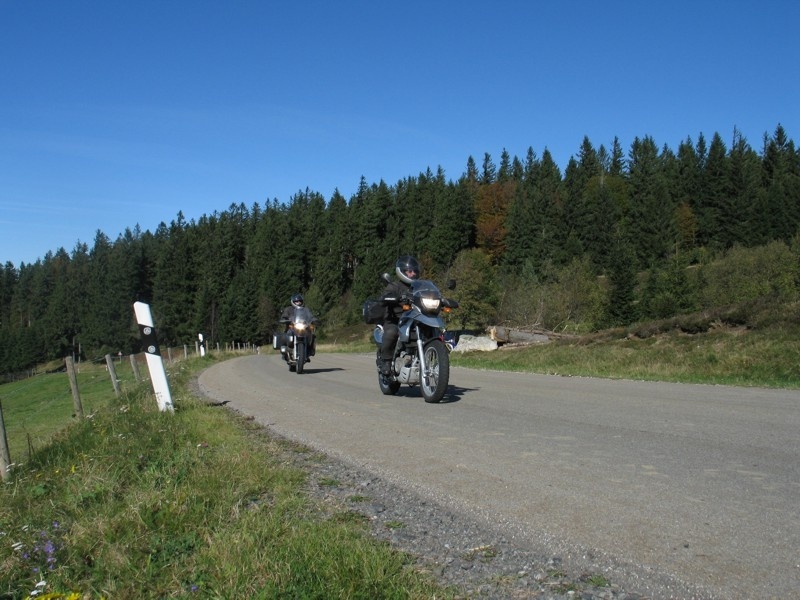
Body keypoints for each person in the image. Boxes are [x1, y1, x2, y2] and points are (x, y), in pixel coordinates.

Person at [378, 255, 421, 375]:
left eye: (414, 271)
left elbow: (430, 295)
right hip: (395, 319)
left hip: (416, 319)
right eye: (409, 271)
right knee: (392, 332)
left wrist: (440, 299)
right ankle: (386, 361)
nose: (412, 274)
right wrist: (390, 297)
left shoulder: (419, 287)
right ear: (402, 271)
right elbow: (383, 298)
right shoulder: (394, 286)